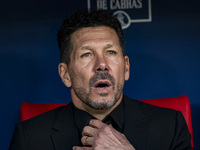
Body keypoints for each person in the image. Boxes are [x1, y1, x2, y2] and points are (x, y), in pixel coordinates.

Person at [9, 10, 191, 150]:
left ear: (126, 68)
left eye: (110, 52)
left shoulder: (170, 127)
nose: (102, 64)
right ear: (66, 75)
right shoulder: (30, 138)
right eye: (87, 54)